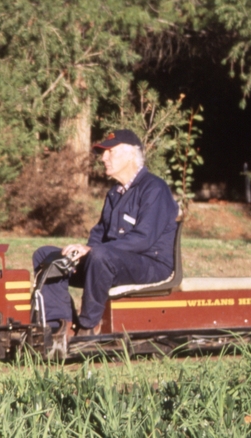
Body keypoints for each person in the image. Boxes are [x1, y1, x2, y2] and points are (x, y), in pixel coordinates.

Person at [32, 129, 179, 337]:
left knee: (100, 255)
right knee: (45, 255)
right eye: (103, 153)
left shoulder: (155, 188)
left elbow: (143, 240)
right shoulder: (115, 192)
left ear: (130, 154)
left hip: (150, 264)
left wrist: (91, 250)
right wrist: (82, 251)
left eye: (111, 152)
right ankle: (60, 323)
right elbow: (99, 234)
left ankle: (88, 326)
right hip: (110, 262)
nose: (103, 158)